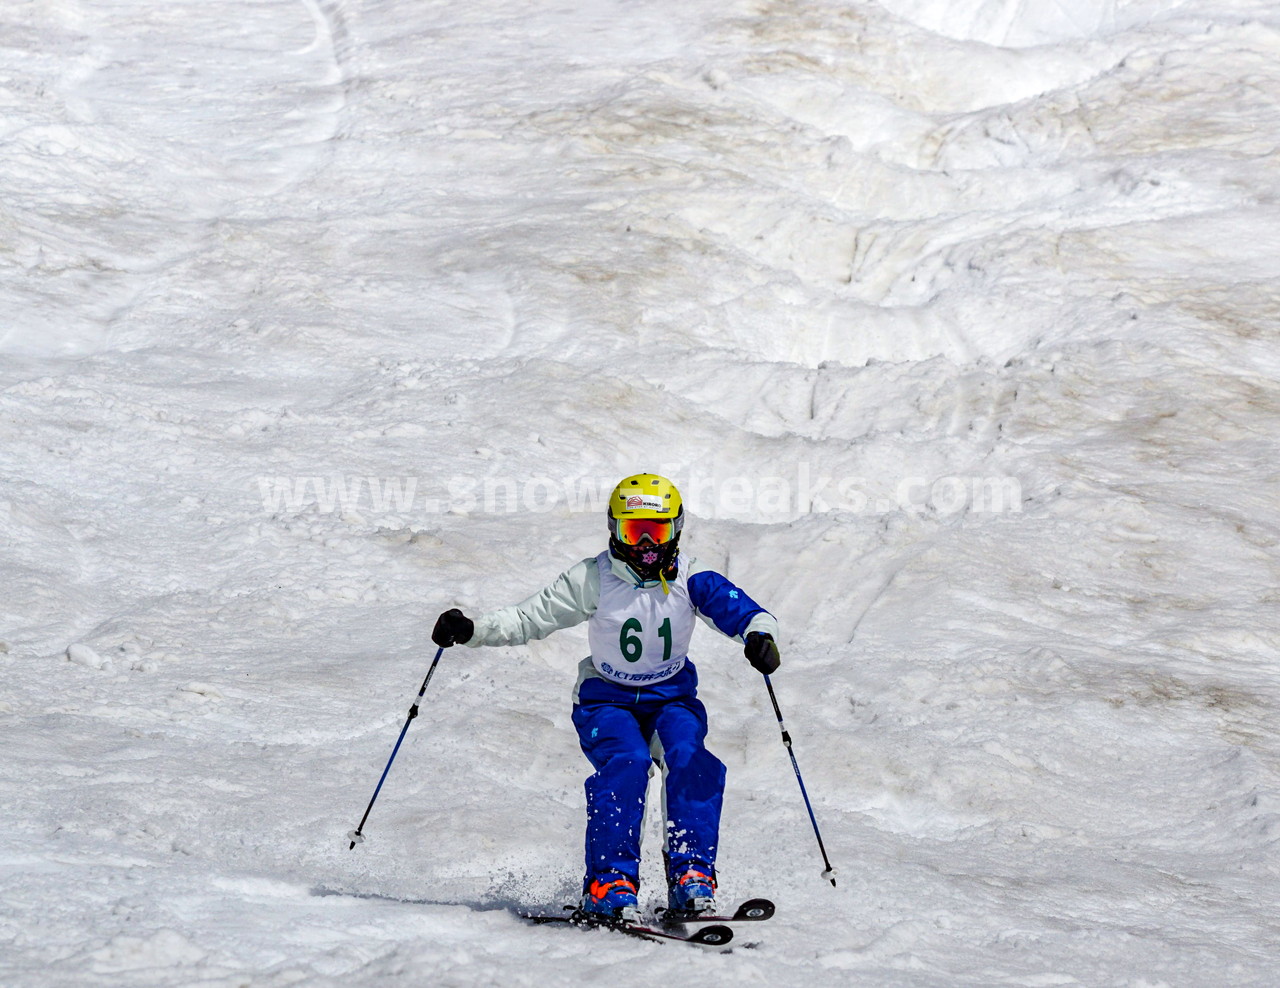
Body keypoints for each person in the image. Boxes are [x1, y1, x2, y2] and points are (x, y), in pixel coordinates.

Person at [430, 473, 781, 923]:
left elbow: (748, 613)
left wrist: (759, 636)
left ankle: (692, 877)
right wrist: (473, 630)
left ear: (678, 529)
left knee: (692, 759)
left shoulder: (693, 579)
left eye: (658, 532)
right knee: (628, 763)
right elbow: (528, 618)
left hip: (671, 699)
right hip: (606, 702)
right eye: (635, 532)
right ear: (614, 529)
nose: (647, 545)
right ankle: (608, 883)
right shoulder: (593, 578)